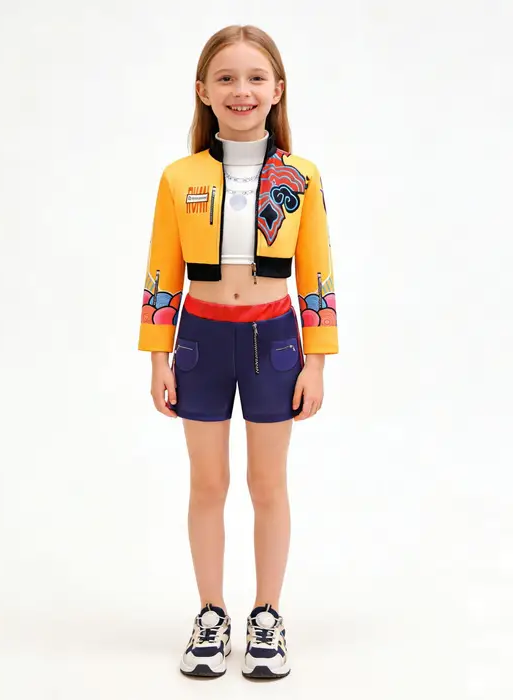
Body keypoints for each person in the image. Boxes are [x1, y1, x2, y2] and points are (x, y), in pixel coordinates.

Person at [137, 24, 338, 680]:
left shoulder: (300, 177)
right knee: (208, 483)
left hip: (273, 338)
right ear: (203, 91)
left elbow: (317, 273)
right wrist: (158, 357)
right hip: (200, 337)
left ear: (278, 90)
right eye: (226, 78)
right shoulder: (180, 177)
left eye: (256, 78)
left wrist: (315, 361)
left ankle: (266, 616)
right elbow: (162, 271)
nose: (241, 90)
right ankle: (210, 613)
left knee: (267, 483)